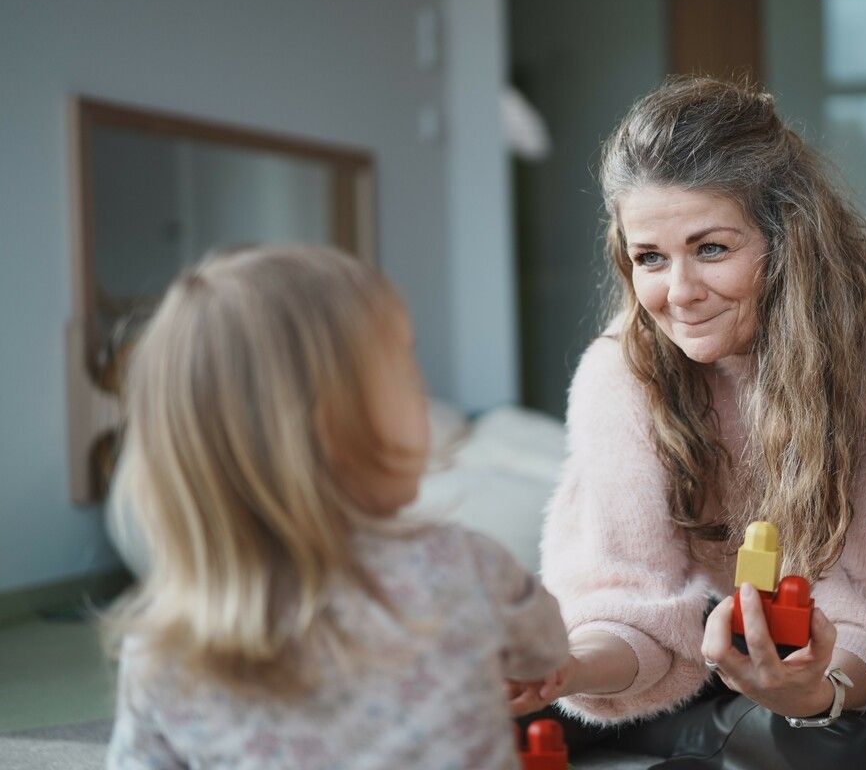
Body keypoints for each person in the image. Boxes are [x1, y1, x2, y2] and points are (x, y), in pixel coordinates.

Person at [512, 77, 866, 768]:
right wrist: (560, 666)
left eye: (711, 248)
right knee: (470, 709)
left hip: (836, 667)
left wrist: (807, 691)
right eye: (651, 257)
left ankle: (723, 739)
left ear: (786, 235)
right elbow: (626, 603)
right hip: (692, 668)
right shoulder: (621, 370)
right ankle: (710, 739)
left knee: (855, 747)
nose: (678, 294)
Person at [104, 246, 569, 769]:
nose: (423, 396)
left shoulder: (160, 649)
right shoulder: (465, 567)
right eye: (409, 377)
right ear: (331, 428)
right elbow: (549, 647)